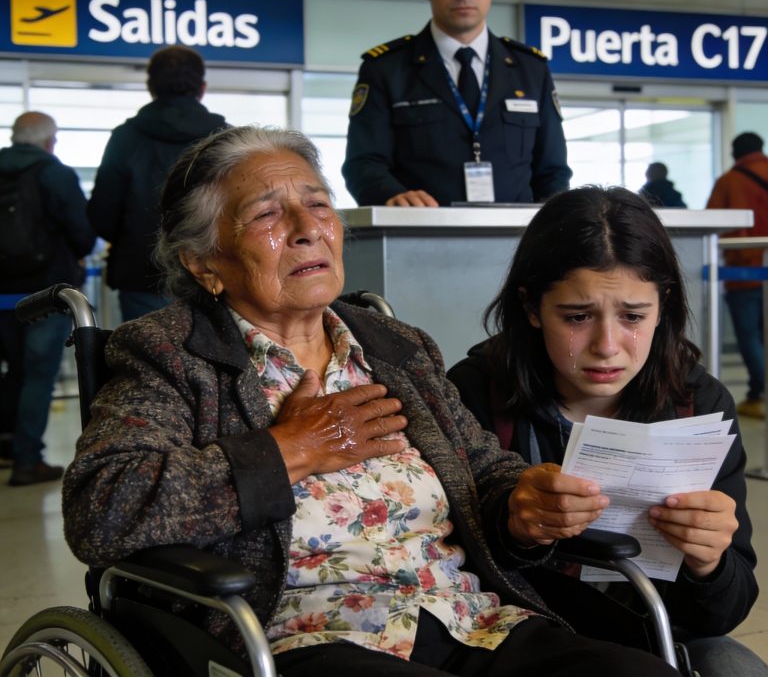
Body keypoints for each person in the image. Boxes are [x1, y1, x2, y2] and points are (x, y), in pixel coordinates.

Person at [62, 126, 679, 677]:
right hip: (308, 636)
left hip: (471, 619)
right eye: (268, 215)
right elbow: (101, 507)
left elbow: (483, 472)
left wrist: (521, 504)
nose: (307, 229)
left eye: (317, 205)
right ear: (204, 264)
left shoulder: (395, 346)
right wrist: (285, 452)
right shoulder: (171, 354)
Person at [447, 185, 765, 677]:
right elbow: (439, 570)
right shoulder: (472, 394)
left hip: (651, 632)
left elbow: (722, 613)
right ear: (531, 308)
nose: (607, 346)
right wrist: (512, 526)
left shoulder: (697, 404)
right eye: (577, 317)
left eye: (634, 317)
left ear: (663, 308)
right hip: (516, 637)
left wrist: (711, 563)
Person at [341, 0, 570, 208]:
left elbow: (553, 171)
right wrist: (391, 195)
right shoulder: (386, 69)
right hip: (418, 238)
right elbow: (364, 164)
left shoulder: (531, 69)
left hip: (519, 243)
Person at [87, 45, 227, 322]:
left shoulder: (125, 138)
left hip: (141, 276)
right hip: (213, 273)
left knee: (144, 359)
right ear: (202, 87)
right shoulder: (225, 138)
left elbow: (102, 215)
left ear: (151, 87)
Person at [0, 112, 95, 486]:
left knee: (12, 371)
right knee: (39, 376)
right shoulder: (54, 173)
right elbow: (82, 232)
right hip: (44, 294)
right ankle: (27, 459)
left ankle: (6, 445)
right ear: (49, 141)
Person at [707, 132, 768, 419]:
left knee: (750, 337)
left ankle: (761, 394)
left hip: (744, 272)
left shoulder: (729, 181)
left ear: (734, 152)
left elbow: (712, 220)